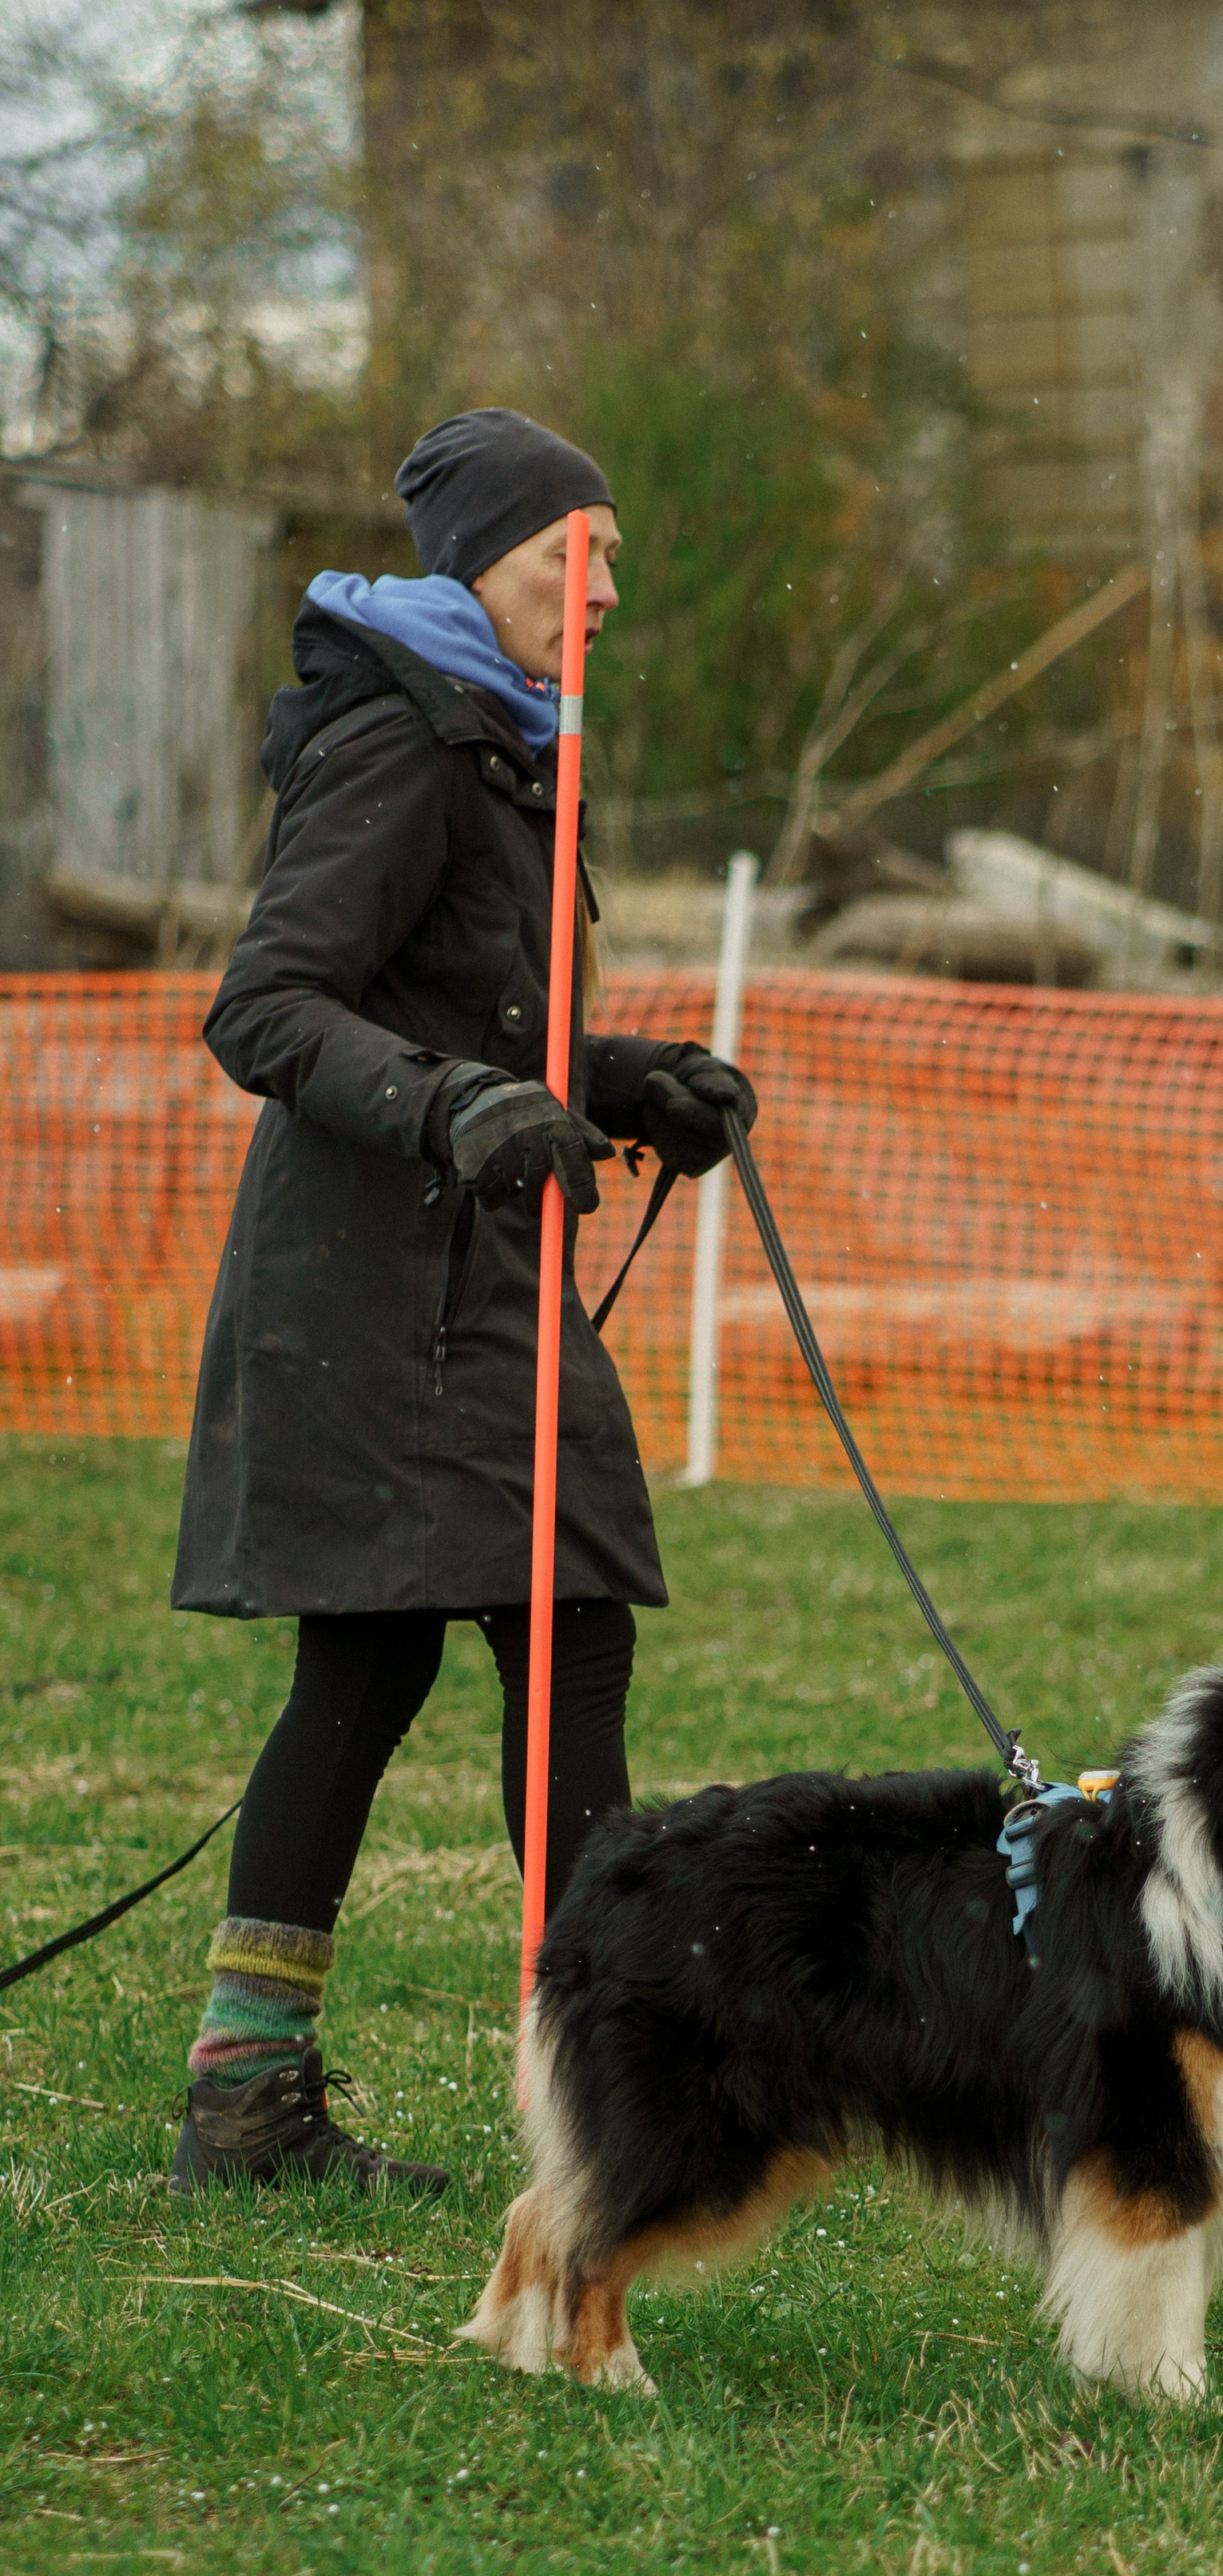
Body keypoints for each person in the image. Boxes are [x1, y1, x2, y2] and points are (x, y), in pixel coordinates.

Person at [168, 406, 755, 2201]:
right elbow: (268, 1007)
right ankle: (578, 2087)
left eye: (605, 565)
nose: (595, 595)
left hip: (471, 1274)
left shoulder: (507, 744)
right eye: (560, 561)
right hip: (366, 1286)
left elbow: (480, 1019)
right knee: (454, 1645)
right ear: (474, 566)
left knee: (460, 1646)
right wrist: (457, 1107)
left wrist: (621, 1075)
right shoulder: (403, 740)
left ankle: (264, 2101)